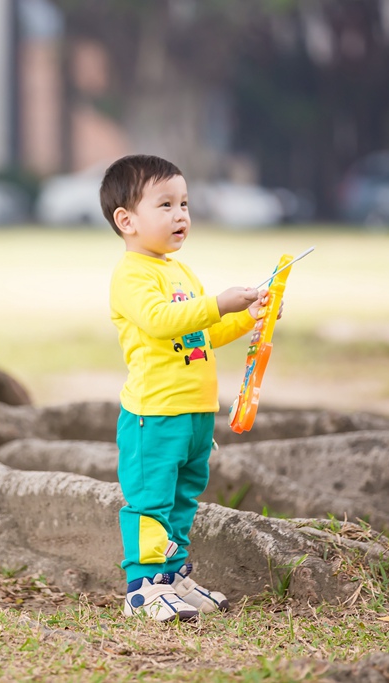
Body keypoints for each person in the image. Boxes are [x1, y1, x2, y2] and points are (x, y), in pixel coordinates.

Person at [101, 154, 273, 622]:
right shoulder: (132, 275)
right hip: (154, 414)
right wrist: (218, 303)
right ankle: (142, 587)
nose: (181, 215)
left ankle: (172, 576)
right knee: (151, 501)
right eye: (166, 205)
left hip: (195, 414)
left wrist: (247, 317)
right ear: (126, 219)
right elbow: (161, 322)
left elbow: (201, 334)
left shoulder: (180, 272)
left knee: (182, 499)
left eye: (185, 203)